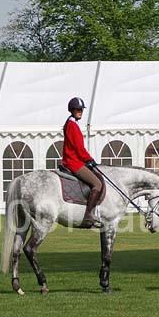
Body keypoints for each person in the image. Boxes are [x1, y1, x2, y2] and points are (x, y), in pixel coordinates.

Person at [61, 96, 103, 229]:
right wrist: (89, 159)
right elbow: (79, 148)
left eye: (81, 110)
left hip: (75, 160)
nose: (80, 111)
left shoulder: (72, 122)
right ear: (72, 110)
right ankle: (88, 215)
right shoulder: (72, 125)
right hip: (73, 162)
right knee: (97, 183)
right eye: (77, 109)